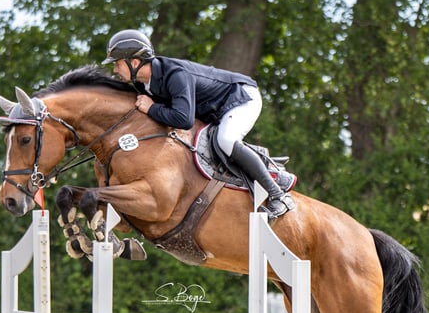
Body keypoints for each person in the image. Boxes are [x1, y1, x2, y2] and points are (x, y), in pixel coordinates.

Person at [102, 29, 295, 219]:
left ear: (134, 62)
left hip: (240, 98)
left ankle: (278, 194)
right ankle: (264, 164)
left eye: (118, 64)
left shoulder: (175, 74)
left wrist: (152, 109)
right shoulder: (143, 83)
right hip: (214, 109)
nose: (115, 69)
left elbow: (184, 120)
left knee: (226, 140)